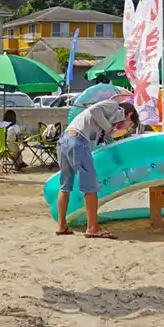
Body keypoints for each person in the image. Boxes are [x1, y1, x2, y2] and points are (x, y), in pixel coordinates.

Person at [55, 100, 138, 239]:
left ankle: (62, 226)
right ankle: (93, 228)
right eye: (131, 125)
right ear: (129, 115)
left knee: (65, 186)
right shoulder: (114, 105)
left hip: (65, 140)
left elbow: (108, 140)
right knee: (91, 187)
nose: (128, 128)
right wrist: (107, 128)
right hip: (77, 141)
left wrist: (119, 159)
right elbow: (94, 110)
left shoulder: (106, 120)